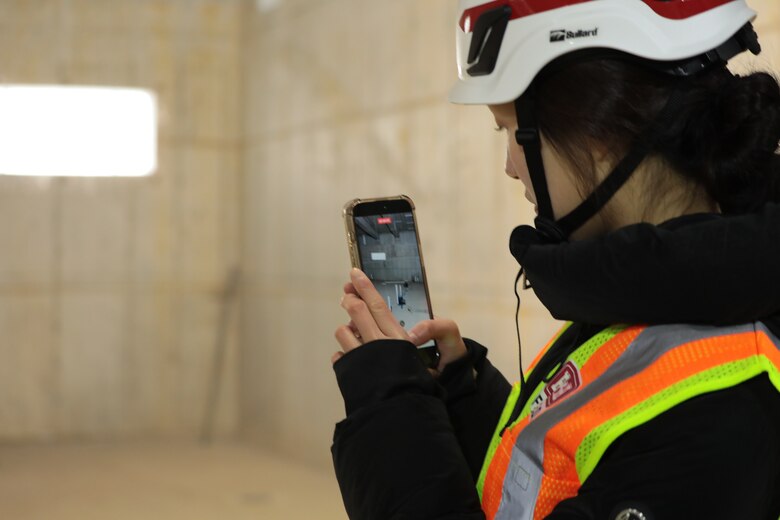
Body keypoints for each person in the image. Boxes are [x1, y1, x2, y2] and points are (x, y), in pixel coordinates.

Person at [330, 1, 780, 518]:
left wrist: (389, 410)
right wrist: (457, 395)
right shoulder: (666, 298)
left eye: (509, 130)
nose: (508, 166)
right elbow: (559, 483)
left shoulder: (720, 411)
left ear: (600, 129)